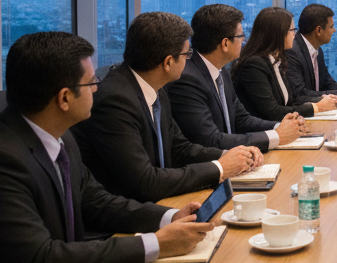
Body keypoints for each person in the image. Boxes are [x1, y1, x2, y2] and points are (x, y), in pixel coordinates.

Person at [0, 32, 214, 263]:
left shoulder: (58, 135)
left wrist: (169, 218)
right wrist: (155, 244)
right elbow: (41, 261)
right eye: (92, 82)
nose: (98, 88)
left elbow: (97, 201)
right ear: (65, 98)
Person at [73, 12, 259, 202]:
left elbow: (178, 148)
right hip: (127, 217)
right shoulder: (115, 101)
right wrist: (219, 168)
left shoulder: (155, 87)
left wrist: (231, 155)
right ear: (168, 62)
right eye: (187, 54)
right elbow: (145, 182)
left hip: (162, 202)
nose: (189, 60)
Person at [167, 3, 305, 150]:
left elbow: (241, 119)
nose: (243, 41)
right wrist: (276, 136)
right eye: (241, 36)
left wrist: (281, 126)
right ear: (225, 43)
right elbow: (210, 140)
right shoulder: (187, 80)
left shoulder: (220, 71)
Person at [232, 6, 337, 121]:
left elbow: (292, 100)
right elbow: (272, 111)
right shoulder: (254, 66)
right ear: (278, 33)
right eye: (292, 30)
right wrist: (316, 107)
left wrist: (322, 99)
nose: (295, 35)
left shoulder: (277, 61)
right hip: (264, 132)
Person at [286, 4, 337, 102]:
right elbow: (299, 94)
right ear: (319, 30)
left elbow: (327, 83)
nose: (334, 30)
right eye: (331, 26)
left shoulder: (317, 49)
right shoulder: (292, 52)